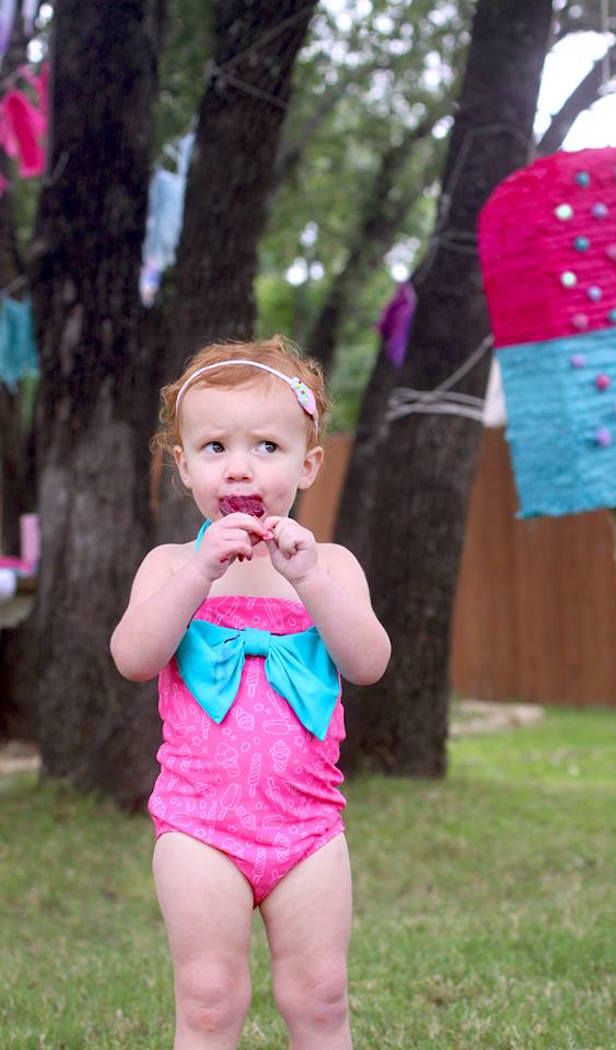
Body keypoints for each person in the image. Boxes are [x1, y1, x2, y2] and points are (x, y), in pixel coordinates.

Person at [110, 336, 391, 1050]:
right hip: (201, 827)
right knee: (208, 999)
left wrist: (312, 580)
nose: (239, 466)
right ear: (183, 467)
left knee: (320, 996)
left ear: (309, 463)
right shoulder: (171, 565)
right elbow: (133, 657)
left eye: (267, 445)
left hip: (308, 831)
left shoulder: (331, 566)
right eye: (213, 447)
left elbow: (368, 663)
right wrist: (197, 575)